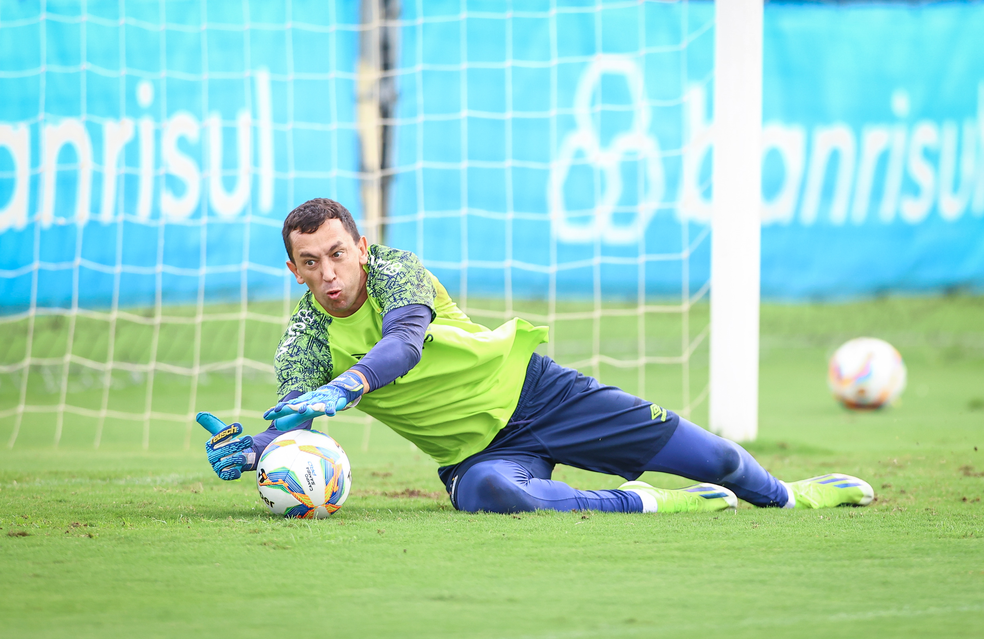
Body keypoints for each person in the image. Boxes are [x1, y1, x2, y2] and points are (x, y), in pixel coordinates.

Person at [197, 198, 874, 514]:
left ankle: (795, 497)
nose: (330, 272)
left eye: (338, 253)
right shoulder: (304, 338)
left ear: (362, 247)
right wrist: (257, 449)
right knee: (490, 495)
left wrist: (344, 388)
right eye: (311, 263)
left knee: (721, 460)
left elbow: (402, 344)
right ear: (295, 271)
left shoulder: (396, 269)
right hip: (477, 453)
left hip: (540, 393)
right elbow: (294, 423)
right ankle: (646, 503)